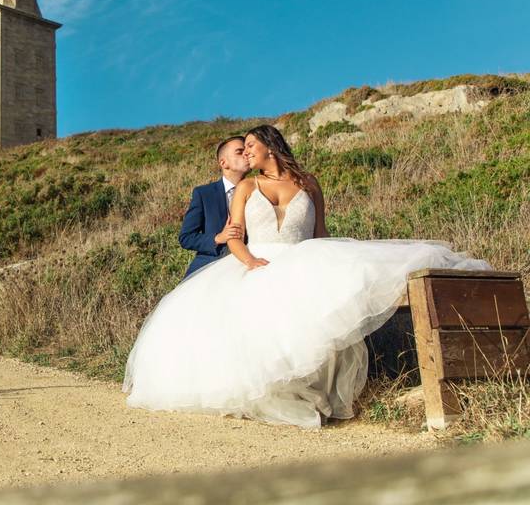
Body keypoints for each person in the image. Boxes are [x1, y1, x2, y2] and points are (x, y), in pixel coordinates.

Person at [123, 124, 490, 428]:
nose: (246, 152)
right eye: (242, 149)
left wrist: (331, 263)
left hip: (304, 259)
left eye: (250, 145)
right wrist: (250, 262)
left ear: (269, 145)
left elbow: (320, 234)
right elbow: (234, 235)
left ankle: (320, 395)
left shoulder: (308, 183)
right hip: (259, 261)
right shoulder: (248, 187)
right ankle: (270, 392)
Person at [178, 136, 250, 278]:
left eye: (247, 151)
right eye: (239, 151)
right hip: (210, 268)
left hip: (248, 264)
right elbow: (186, 237)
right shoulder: (204, 194)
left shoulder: (258, 190)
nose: (246, 154)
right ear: (223, 163)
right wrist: (217, 238)